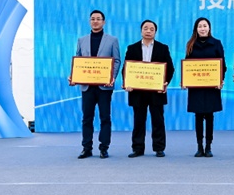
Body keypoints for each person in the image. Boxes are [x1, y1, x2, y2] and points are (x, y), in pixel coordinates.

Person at [69, 9, 121, 159]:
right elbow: (78, 61)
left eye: (98, 19)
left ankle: (104, 148)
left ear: (103, 22)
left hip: (104, 86)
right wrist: (74, 76)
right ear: (89, 21)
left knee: (105, 117)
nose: (95, 21)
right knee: (87, 118)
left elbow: (117, 60)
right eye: (93, 19)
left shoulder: (112, 40)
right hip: (87, 87)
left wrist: (112, 77)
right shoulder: (82, 40)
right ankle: (86, 148)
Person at [123, 20, 175, 158]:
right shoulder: (132, 48)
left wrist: (165, 83)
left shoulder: (163, 48)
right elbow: (126, 68)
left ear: (155, 32)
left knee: (158, 120)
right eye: (145, 28)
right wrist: (127, 82)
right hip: (137, 91)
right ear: (141, 30)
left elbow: (170, 68)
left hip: (156, 91)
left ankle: (159, 148)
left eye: (151, 29)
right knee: (138, 121)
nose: (148, 31)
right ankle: (137, 148)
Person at [184, 17, 225, 157]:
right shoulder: (191, 44)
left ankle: (208, 146)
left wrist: (220, 80)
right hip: (196, 87)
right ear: (196, 29)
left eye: (205, 26)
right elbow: (187, 66)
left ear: (209, 28)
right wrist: (185, 80)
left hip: (211, 86)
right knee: (198, 116)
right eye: (200, 26)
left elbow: (223, 65)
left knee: (209, 115)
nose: (202, 28)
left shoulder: (216, 43)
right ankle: (199, 146)